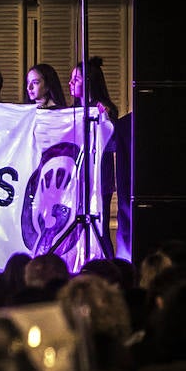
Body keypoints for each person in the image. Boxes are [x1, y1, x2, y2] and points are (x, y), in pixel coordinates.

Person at [69, 56, 119, 253]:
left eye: (77, 78)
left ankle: (109, 270)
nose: (71, 83)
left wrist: (105, 120)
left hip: (100, 179)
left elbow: (113, 145)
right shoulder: (71, 111)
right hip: (76, 178)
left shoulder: (105, 109)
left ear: (90, 81)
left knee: (100, 228)